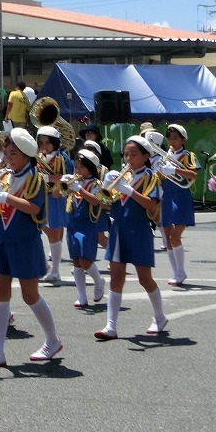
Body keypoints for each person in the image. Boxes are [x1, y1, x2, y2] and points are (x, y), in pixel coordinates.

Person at [0, 127, 61, 368]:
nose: (8, 157)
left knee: (29, 295)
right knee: (0, 294)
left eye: (13, 153)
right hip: (1, 241)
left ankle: (52, 339)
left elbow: (35, 209)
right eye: (6, 153)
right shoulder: (4, 176)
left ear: (26, 155)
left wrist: (3, 197)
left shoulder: (35, 177)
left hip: (25, 241)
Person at [94, 136, 169, 341]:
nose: (128, 158)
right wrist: (108, 187)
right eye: (126, 154)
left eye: (134, 154)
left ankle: (159, 317)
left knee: (145, 278)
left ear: (146, 156)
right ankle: (111, 325)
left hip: (139, 229)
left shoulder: (150, 177)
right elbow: (106, 202)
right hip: (119, 228)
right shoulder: (122, 176)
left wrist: (129, 190)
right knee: (117, 277)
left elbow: (152, 206)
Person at [65, 149, 108, 308]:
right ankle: (82, 296)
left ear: (90, 169)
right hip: (73, 223)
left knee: (84, 260)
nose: (77, 171)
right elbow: (56, 194)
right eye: (76, 167)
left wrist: (79, 189)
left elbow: (96, 201)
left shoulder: (95, 184)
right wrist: (62, 182)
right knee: (75, 261)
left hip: (87, 225)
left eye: (81, 167)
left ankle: (98, 280)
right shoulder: (75, 182)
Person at [158, 124, 199, 286]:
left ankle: (181, 271)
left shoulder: (189, 155)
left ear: (183, 139)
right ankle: (176, 272)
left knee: (175, 236)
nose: (171, 141)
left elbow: (194, 174)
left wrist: (174, 170)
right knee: (168, 238)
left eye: (175, 138)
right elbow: (159, 177)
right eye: (169, 138)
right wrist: (160, 172)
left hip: (181, 196)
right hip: (167, 196)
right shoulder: (164, 156)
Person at [36, 125, 72, 283]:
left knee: (55, 233)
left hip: (56, 197)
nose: (44, 146)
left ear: (55, 143)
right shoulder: (39, 157)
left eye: (47, 143)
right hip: (41, 196)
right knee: (40, 227)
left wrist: (46, 178)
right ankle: (47, 267)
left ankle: (55, 270)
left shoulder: (62, 157)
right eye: (41, 143)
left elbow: (65, 177)